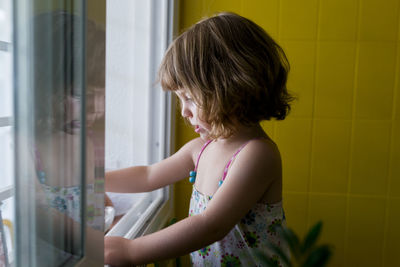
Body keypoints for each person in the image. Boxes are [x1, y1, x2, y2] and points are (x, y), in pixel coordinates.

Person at [104, 12, 294, 266]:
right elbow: (148, 176)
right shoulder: (200, 149)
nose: (184, 111)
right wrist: (95, 180)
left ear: (229, 88)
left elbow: (211, 225)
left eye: (190, 98)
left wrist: (131, 251)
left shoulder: (257, 155)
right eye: (180, 99)